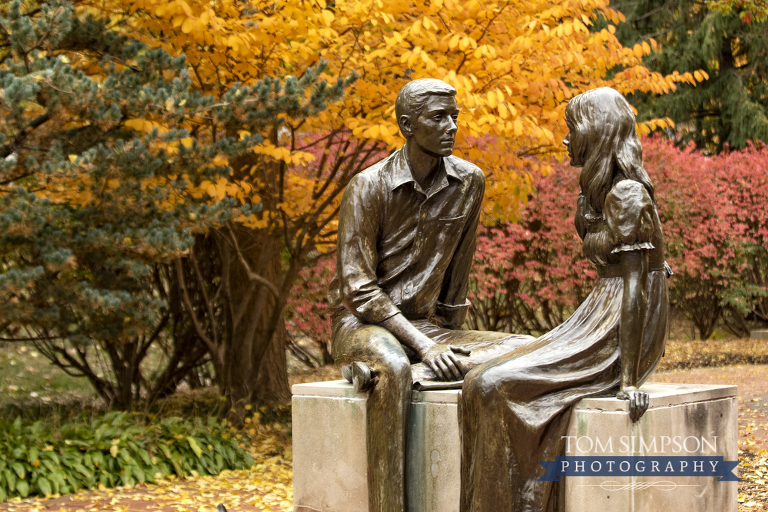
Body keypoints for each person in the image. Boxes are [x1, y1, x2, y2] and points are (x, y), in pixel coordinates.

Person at [459, 87, 670, 512]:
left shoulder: (628, 194)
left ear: (596, 133)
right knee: (477, 380)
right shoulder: (593, 195)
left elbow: (635, 287)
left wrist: (628, 382)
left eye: (572, 129)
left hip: (625, 324)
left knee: (492, 383)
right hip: (600, 310)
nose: (565, 139)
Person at [328, 78, 532, 512]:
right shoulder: (368, 187)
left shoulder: (469, 182)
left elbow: (459, 271)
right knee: (398, 368)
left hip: (427, 326)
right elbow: (358, 288)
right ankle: (389, 505)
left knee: (527, 351)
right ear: (407, 124)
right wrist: (423, 346)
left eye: (454, 116)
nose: (451, 126)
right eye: (438, 117)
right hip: (363, 326)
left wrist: (447, 338)